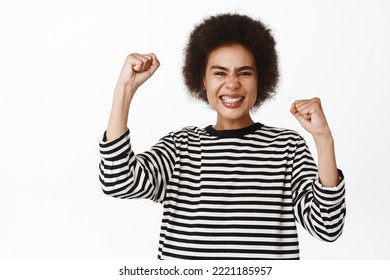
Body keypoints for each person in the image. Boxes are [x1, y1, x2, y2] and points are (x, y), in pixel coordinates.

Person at [99, 13, 346, 260]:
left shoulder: (287, 147)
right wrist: (125, 89)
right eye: (219, 73)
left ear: (261, 79)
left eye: (244, 73)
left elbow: (327, 226)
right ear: (202, 80)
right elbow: (117, 180)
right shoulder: (179, 147)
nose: (232, 83)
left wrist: (323, 138)